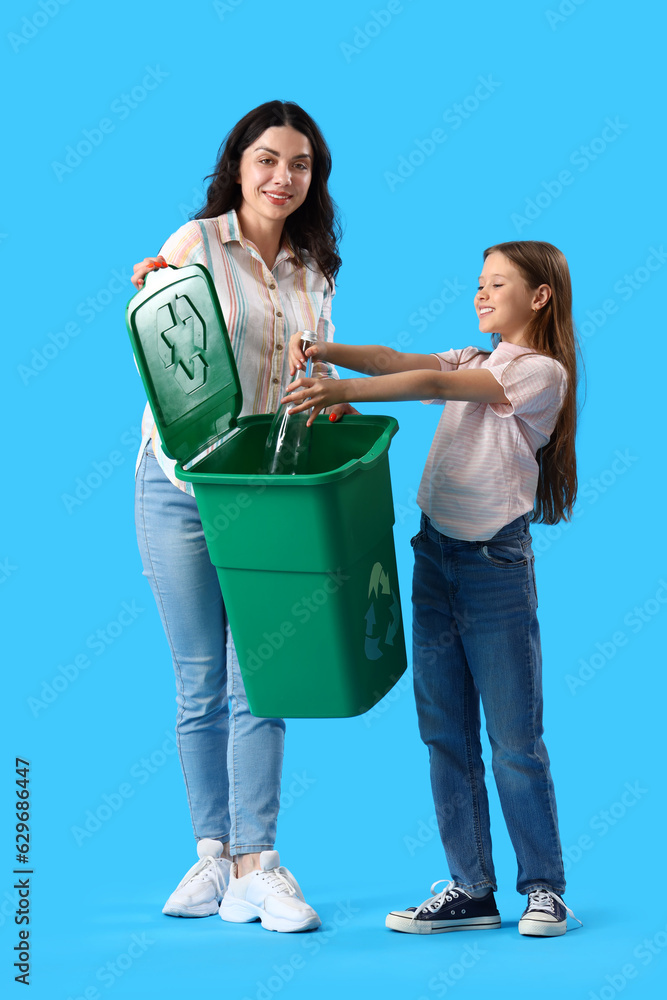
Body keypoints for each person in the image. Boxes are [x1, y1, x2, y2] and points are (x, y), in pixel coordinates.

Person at [285, 240, 582, 937]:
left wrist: (344, 393)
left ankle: (543, 888)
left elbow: (438, 389)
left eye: (497, 284)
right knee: (444, 734)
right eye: (478, 283)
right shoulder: (475, 357)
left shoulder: (539, 372)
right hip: (434, 562)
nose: (480, 294)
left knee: (513, 740)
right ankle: (470, 889)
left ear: (539, 297)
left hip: (493, 571)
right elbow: (400, 362)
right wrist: (327, 353)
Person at [131, 100, 355, 933]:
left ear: (312, 177)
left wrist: (324, 397)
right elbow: (165, 342)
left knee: (261, 673)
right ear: (238, 165)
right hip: (178, 485)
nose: (282, 177)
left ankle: (261, 865)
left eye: (298, 164)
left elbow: (310, 372)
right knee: (198, 682)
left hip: (267, 495)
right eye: (267, 160)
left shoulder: (315, 269)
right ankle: (212, 856)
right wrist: (152, 289)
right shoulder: (196, 244)